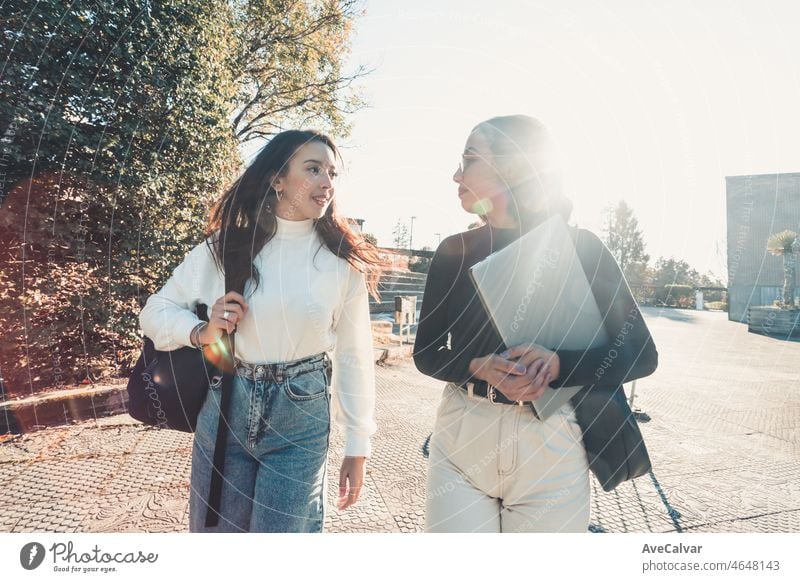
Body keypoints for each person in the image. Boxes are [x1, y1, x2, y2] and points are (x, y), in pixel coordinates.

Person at [413, 115, 658, 532]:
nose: (456, 174)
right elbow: (426, 354)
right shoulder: (453, 251)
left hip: (553, 445)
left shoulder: (583, 248)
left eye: (469, 159)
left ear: (514, 166)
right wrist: (477, 365)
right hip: (461, 439)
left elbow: (641, 354)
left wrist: (559, 364)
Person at [139, 129, 382, 532]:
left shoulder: (341, 264)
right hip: (226, 405)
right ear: (277, 179)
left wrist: (358, 444)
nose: (327, 182)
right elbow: (155, 311)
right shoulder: (225, 247)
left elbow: (354, 356)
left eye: (332, 173)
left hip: (300, 414)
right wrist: (203, 330)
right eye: (313, 169)